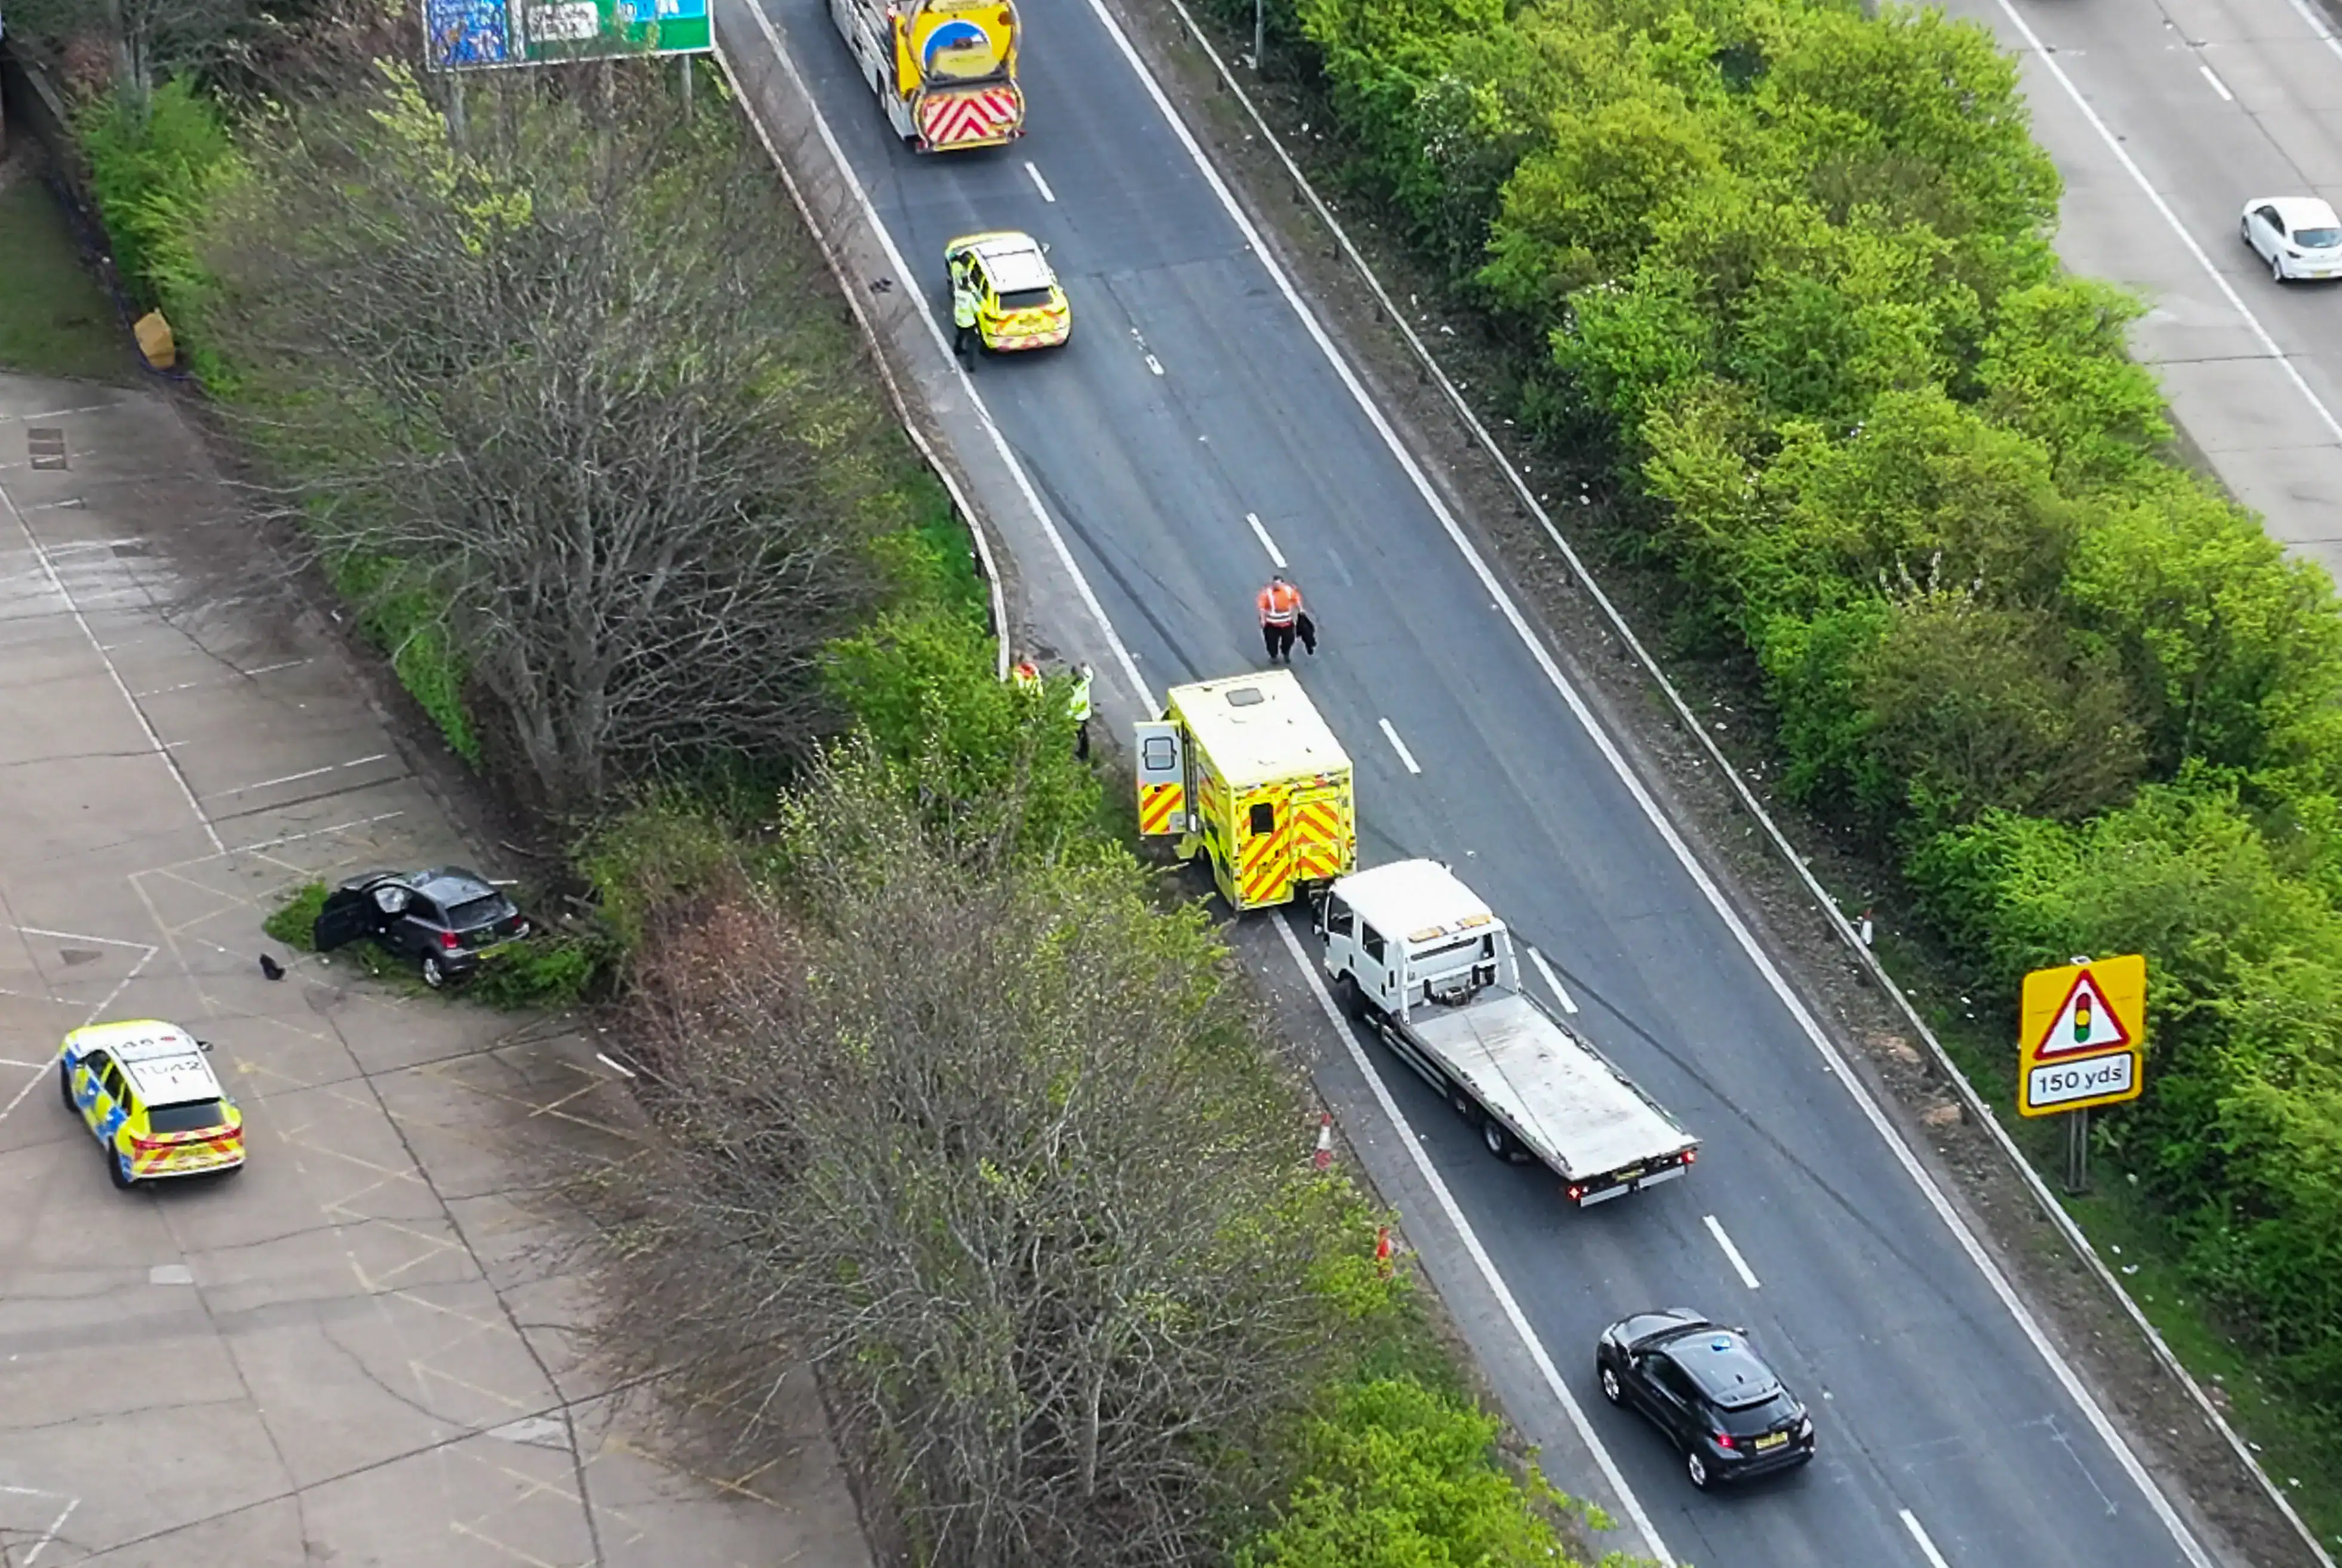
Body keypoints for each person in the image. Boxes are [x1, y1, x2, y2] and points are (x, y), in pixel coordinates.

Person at [1257, 573, 1304, 664]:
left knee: (1290, 639)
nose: (1276, 586)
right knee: (1271, 642)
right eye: (1274, 584)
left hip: (1286, 623)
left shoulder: (1288, 591)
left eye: (1278, 584)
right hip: (1271, 624)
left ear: (1282, 584)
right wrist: (1263, 620)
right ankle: (1273, 656)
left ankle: (1286, 652)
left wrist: (1301, 609)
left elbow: (1296, 599)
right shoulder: (1267, 593)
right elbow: (1262, 607)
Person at [951, 268, 981, 362]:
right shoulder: (970, 296)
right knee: (971, 343)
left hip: (959, 319)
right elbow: (977, 309)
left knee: (960, 335)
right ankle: (970, 364)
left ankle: (957, 350)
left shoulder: (957, 293)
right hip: (968, 322)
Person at [1068, 662, 1094, 761]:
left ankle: (1083, 755)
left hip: (1077, 717)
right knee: (1084, 734)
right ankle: (1084, 753)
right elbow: (1090, 675)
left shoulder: (1073, 690)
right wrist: (1086, 667)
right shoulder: (1085, 682)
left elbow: (1072, 706)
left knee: (1081, 735)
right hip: (1085, 713)